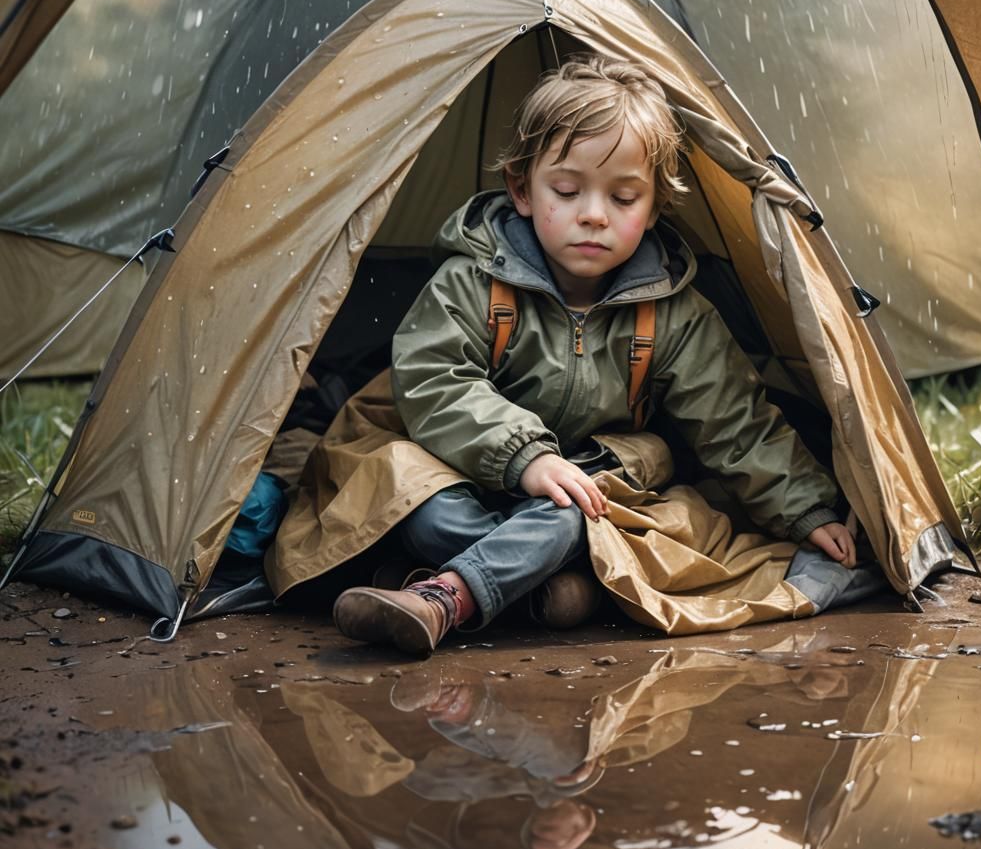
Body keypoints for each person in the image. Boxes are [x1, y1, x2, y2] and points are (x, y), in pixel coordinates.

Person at [333, 55, 859, 657]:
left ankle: (445, 598)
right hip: (467, 472)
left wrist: (806, 510)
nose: (592, 214)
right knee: (418, 508)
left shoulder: (674, 316)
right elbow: (435, 382)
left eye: (624, 197)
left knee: (576, 516)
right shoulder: (469, 284)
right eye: (566, 190)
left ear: (656, 208)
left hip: (590, 485)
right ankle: (549, 589)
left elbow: (734, 422)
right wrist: (524, 457)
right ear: (521, 191)